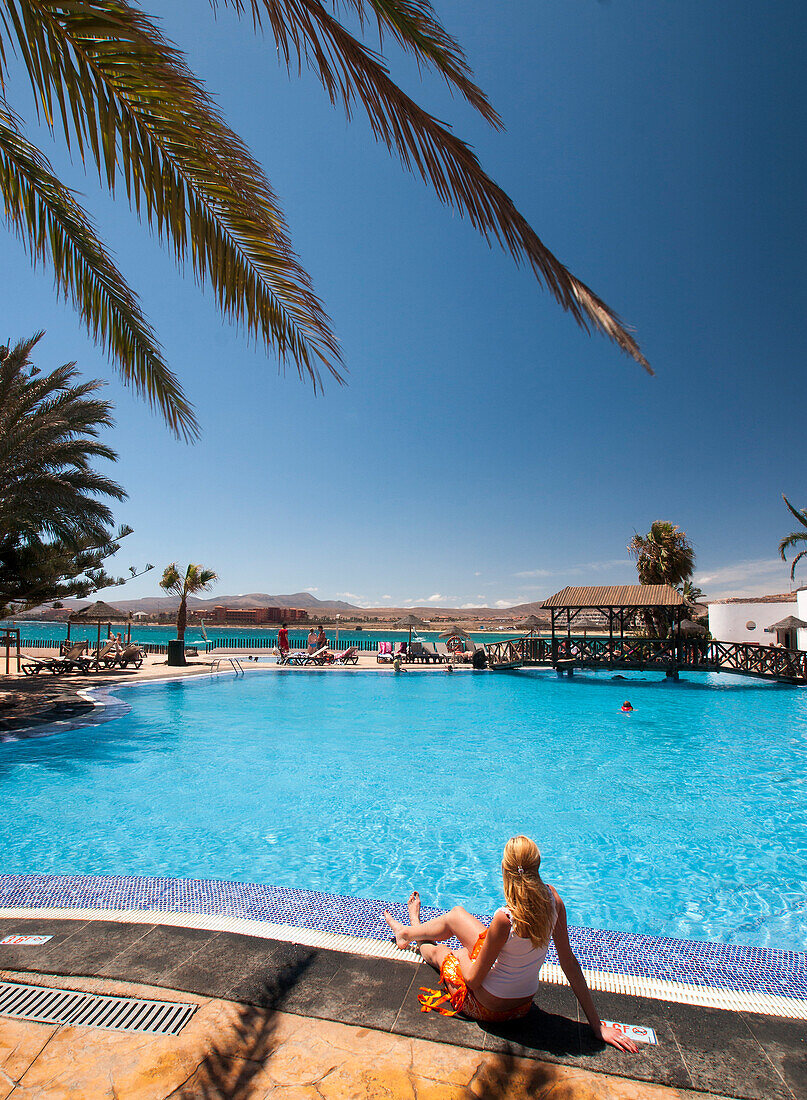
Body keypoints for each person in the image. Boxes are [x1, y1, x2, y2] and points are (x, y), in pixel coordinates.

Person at [383, 835, 637, 1051]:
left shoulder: (505, 918)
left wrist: (460, 956)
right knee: (456, 915)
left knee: (442, 954)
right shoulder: (554, 901)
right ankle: (408, 932)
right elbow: (569, 963)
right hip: (522, 1004)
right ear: (537, 866)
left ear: (505, 870)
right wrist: (597, 1026)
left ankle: (412, 931)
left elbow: (471, 980)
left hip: (488, 1008)